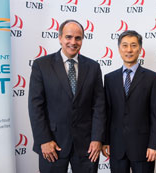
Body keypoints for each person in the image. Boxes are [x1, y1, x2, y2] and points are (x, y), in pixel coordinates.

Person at [28, 19, 106, 173]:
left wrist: (97, 138)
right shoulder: (41, 65)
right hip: (52, 144)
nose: (73, 42)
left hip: (87, 146)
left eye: (78, 38)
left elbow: (99, 106)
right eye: (68, 37)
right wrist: (44, 140)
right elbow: (35, 107)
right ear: (60, 38)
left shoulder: (93, 67)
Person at [102, 30, 156, 173]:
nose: (129, 50)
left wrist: (154, 144)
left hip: (143, 149)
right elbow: (107, 112)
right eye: (125, 45)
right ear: (119, 49)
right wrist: (105, 141)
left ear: (140, 49)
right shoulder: (109, 79)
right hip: (116, 148)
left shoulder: (152, 78)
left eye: (133, 45)